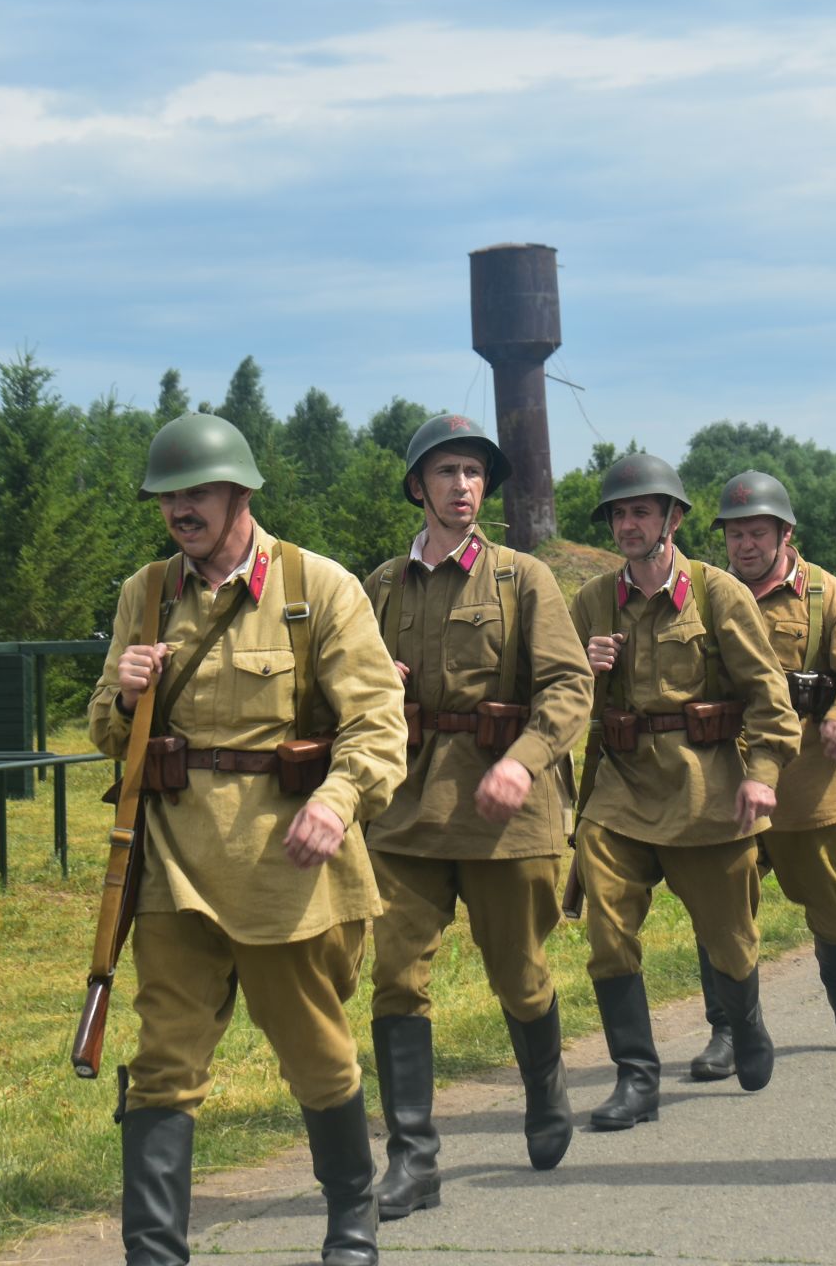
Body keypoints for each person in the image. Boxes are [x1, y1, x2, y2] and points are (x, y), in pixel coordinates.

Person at [87, 413, 408, 1265]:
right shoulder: (145, 595)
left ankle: (352, 1216)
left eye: (196, 493)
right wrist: (121, 698)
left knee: (314, 1049)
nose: (180, 511)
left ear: (241, 493)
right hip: (173, 867)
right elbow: (107, 734)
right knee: (163, 1060)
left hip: (285, 866)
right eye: (168, 497)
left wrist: (339, 803)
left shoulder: (318, 588)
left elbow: (378, 723)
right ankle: (155, 1253)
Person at [361, 413, 594, 1219]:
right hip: (406, 809)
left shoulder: (523, 579)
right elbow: (340, 688)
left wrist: (522, 764)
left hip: (508, 813)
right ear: (418, 486)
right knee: (395, 976)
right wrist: (374, 681)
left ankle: (546, 1088)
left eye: (474, 473)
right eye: (447, 472)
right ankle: (413, 1159)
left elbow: (568, 687)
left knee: (519, 974)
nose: (463, 487)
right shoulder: (381, 587)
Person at [569, 452, 802, 1128]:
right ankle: (636, 1078)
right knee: (609, 937)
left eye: (641, 511)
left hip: (706, 789)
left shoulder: (715, 593)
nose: (628, 524)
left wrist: (762, 778)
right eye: (618, 513)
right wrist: (585, 672)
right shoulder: (592, 601)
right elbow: (557, 701)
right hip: (620, 789)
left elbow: (769, 699)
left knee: (729, 939)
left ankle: (746, 1023)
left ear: (672, 518)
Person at [688, 470, 836, 1082]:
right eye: (734, 534)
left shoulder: (827, 596)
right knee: (718, 908)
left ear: (785, 533)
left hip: (809, 779)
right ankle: (728, 1028)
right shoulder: (703, 594)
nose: (744, 545)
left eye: (756, 533)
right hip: (726, 776)